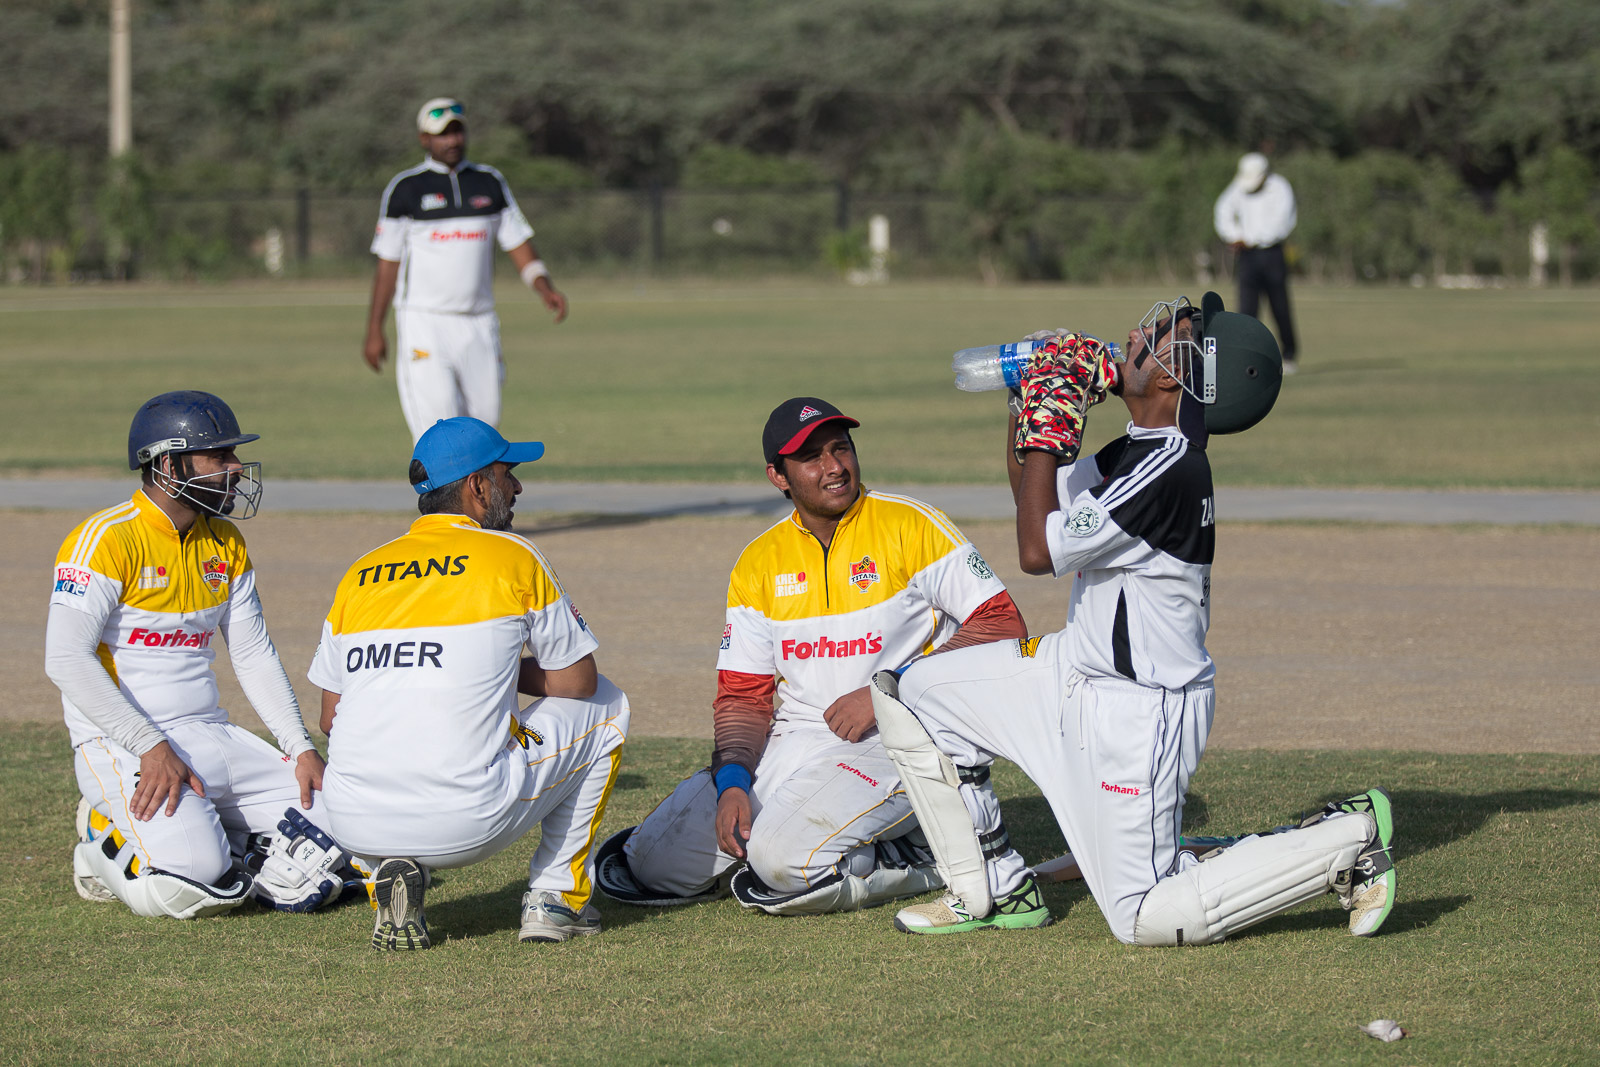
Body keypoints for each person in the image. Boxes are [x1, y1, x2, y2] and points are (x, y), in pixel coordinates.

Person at [869, 296, 1398, 946]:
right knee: (916, 692)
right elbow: (1034, 497)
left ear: (1177, 377)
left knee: (1145, 915)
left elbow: (1036, 552)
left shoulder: (1169, 468)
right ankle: (995, 888)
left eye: (1162, 335)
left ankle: (1347, 841)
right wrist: (1027, 404)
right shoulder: (1142, 448)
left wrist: (1051, 426)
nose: (1136, 334)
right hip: (1075, 670)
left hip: (1140, 712)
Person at [594, 398, 1028, 916]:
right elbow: (743, 695)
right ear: (778, 476)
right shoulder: (758, 562)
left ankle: (924, 854)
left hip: (907, 734)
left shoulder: (911, 524)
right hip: (799, 738)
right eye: (811, 458)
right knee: (651, 864)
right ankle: (850, 841)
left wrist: (890, 689)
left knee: (779, 862)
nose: (834, 467)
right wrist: (733, 784)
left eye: (840, 448)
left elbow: (1002, 623)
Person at [309, 417, 630, 950]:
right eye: (508, 473)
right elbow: (578, 681)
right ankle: (556, 899)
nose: (518, 486)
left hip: (352, 821)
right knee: (609, 703)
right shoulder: (513, 555)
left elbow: (329, 717)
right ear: (478, 486)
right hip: (465, 819)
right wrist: (492, 668)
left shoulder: (361, 571)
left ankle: (386, 872)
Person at [46, 391, 352, 920]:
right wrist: (149, 745)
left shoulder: (226, 541)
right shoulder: (105, 539)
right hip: (126, 744)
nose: (236, 468)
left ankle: (217, 831)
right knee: (194, 877)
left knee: (345, 824)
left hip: (208, 734)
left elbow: (253, 653)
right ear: (169, 466)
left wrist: (300, 747)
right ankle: (101, 842)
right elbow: (66, 659)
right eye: (220, 456)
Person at [363, 97, 569, 442]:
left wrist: (544, 287)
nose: (453, 141)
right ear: (424, 139)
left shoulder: (489, 183)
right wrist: (374, 329)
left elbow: (518, 244)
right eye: (443, 134)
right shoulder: (405, 189)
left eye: (457, 132)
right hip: (425, 322)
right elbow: (388, 266)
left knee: (485, 431)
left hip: (479, 323)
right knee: (439, 432)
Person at [1214, 152, 1299, 373]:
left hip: (1272, 254)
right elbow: (1222, 210)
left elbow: (1282, 224)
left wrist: (1250, 238)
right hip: (1247, 256)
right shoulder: (1238, 187)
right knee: (1247, 309)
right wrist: (1234, 236)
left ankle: (1288, 355)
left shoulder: (1280, 187)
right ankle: (1247, 357)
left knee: (1279, 306)